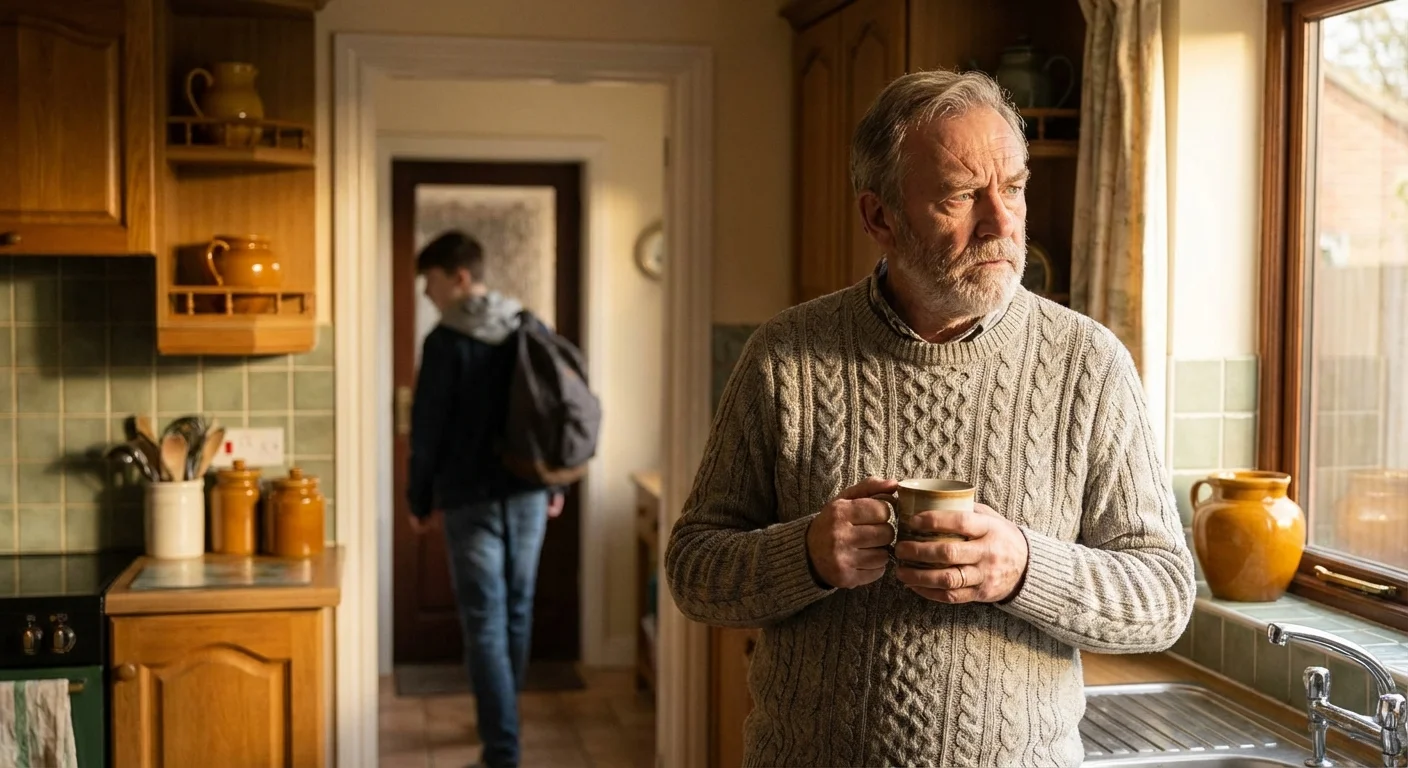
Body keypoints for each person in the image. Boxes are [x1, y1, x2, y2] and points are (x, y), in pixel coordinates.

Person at [664, 69, 1194, 767]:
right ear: (879, 217)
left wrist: (1025, 566)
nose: (1002, 224)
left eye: (1013, 187)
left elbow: (1162, 595)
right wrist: (807, 555)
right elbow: (693, 568)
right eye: (959, 197)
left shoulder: (1089, 365)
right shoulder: (785, 356)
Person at [407, 230, 564, 768]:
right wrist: (556, 483)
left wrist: (418, 497)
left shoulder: (445, 341)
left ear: (459, 276)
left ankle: (501, 747)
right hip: (527, 494)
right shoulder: (526, 323)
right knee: (515, 611)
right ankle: (504, 726)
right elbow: (555, 410)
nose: (427, 295)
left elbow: (426, 430)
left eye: (429, 282)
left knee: (484, 621)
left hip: (469, 499)